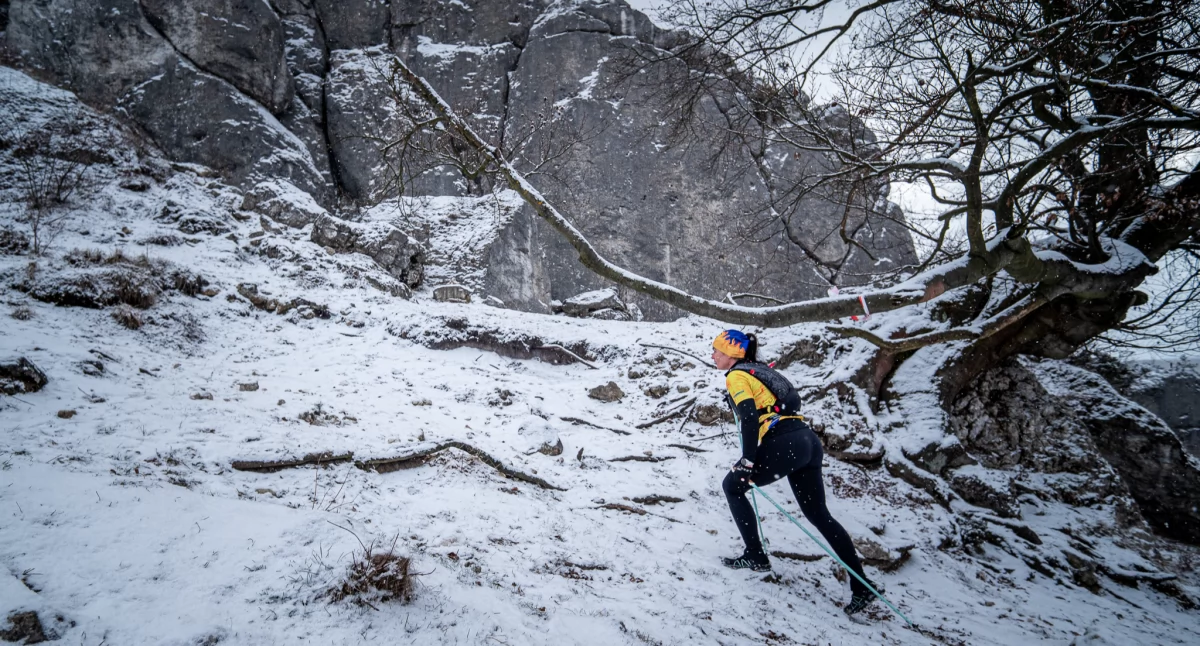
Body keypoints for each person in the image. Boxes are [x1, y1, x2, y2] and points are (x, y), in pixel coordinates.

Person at [712, 329, 877, 617]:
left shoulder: (737, 376)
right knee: (819, 514)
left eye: (717, 351)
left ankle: (755, 555)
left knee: (733, 486)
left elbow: (750, 417)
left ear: (732, 355)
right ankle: (862, 586)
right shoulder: (761, 370)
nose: (712, 355)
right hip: (807, 441)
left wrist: (747, 462)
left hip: (785, 441)